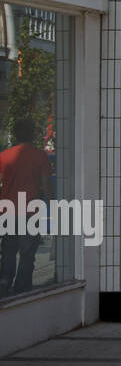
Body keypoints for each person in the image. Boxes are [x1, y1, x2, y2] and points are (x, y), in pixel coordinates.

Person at [0, 119, 51, 296]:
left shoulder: (4, 156)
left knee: (8, 251)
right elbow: (46, 187)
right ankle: (21, 288)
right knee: (28, 253)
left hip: (8, 211)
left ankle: (4, 284)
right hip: (31, 211)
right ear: (32, 134)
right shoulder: (40, 157)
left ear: (15, 135)